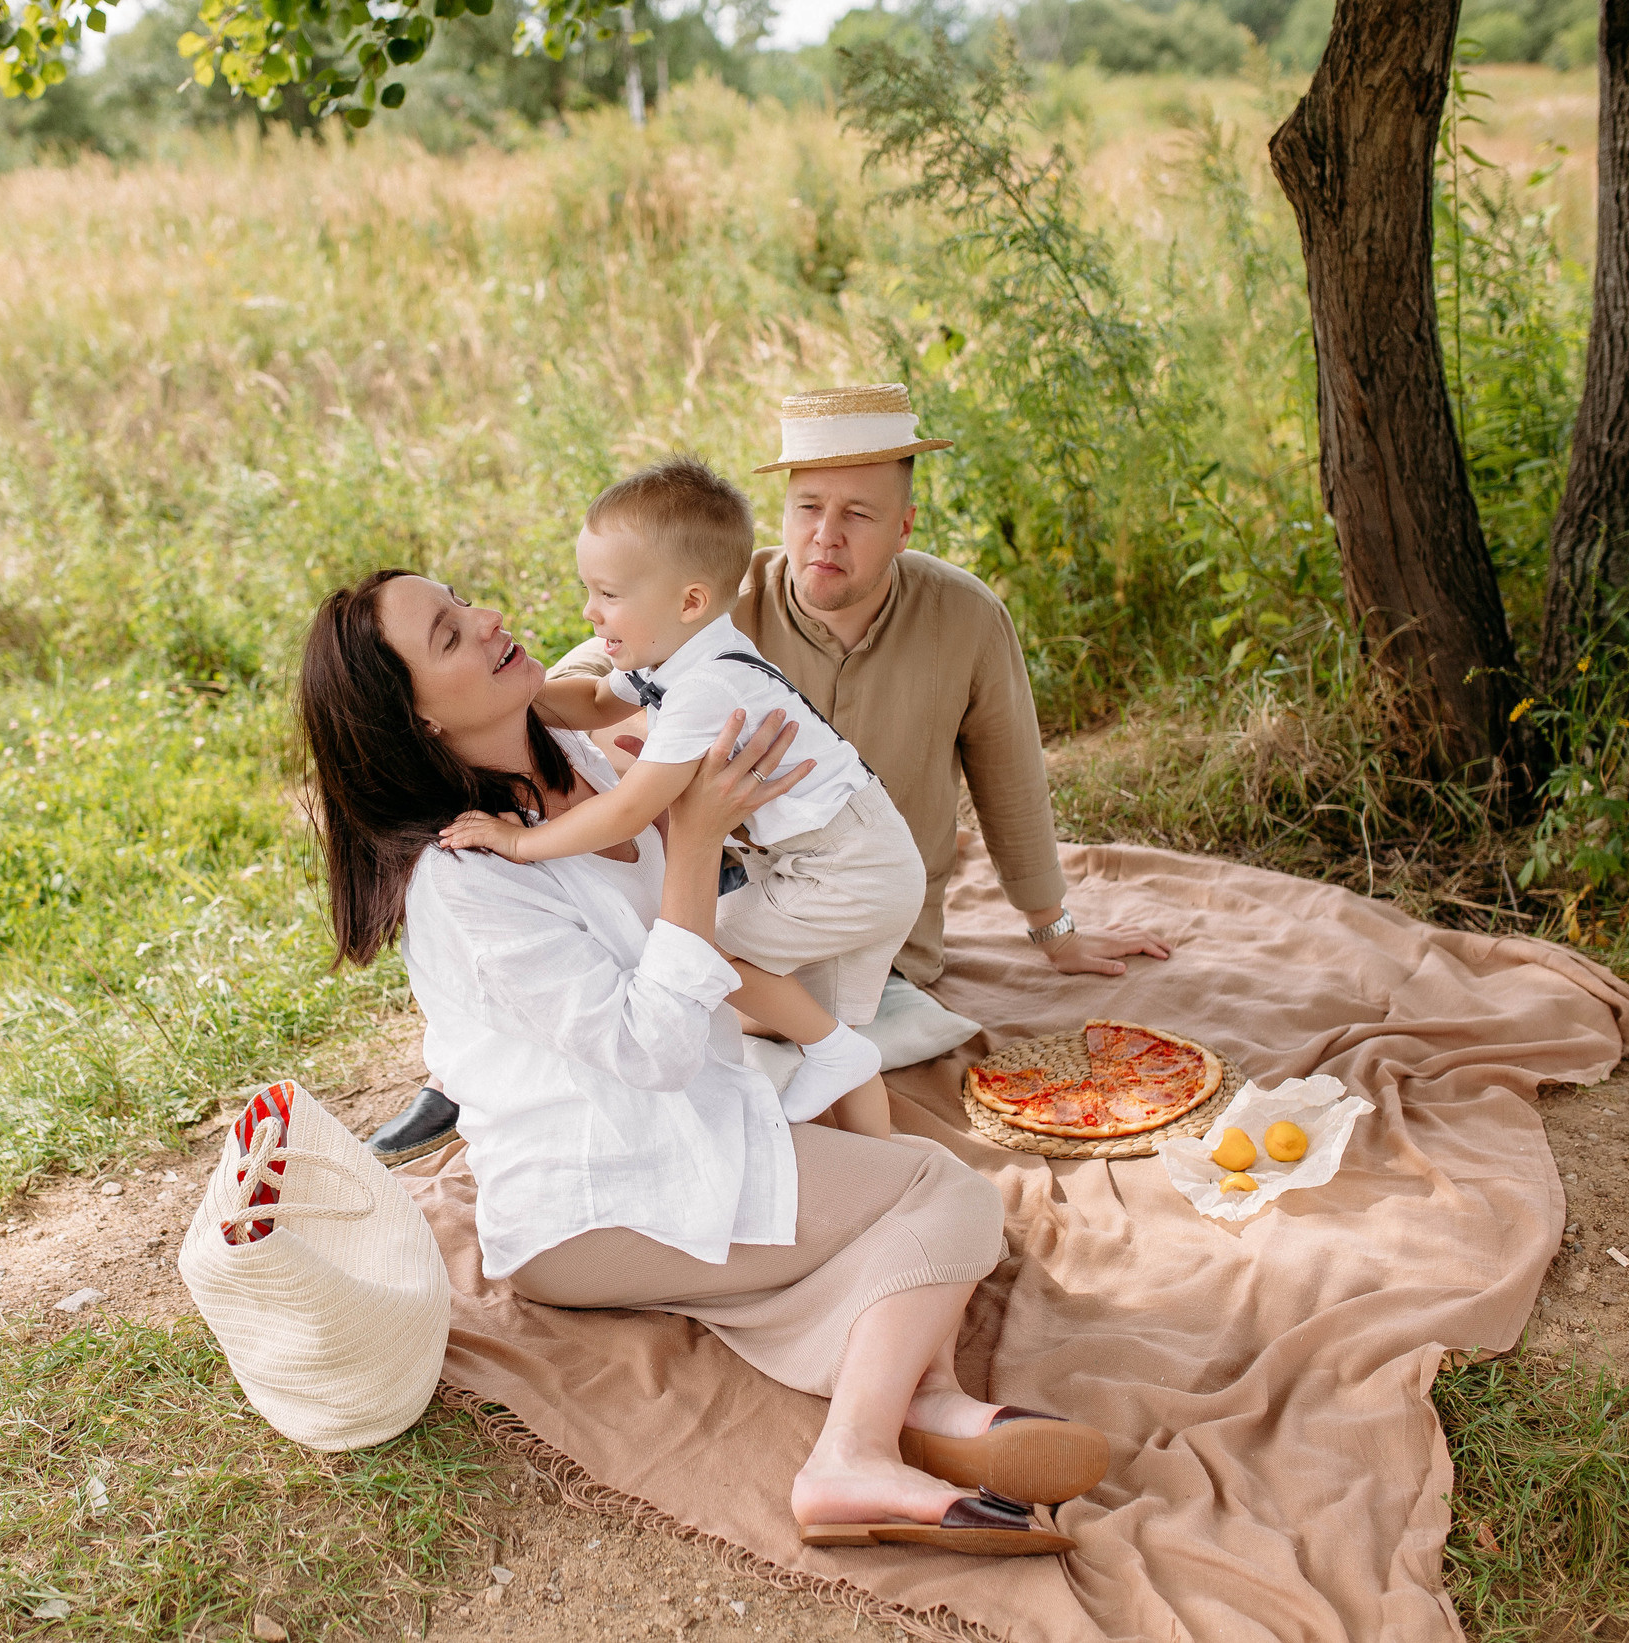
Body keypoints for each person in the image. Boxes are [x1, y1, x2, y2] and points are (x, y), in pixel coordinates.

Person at [298, 571, 1109, 1554]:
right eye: (449, 635)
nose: (489, 621)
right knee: (946, 1199)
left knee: (875, 1224)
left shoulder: (571, 760)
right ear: (414, 720)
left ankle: (930, 1407)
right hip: (588, 1195)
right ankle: (847, 1457)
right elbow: (650, 1047)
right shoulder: (461, 886)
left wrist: (817, 1021)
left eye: (465, 602)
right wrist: (694, 839)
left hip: (690, 1113)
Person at [367, 381, 1168, 1164]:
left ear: (904, 526)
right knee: (735, 1014)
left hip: (869, 914)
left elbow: (1013, 783)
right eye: (807, 507)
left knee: (689, 972)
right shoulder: (723, 591)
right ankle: (880, 1168)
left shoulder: (962, 615)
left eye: (857, 514)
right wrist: (495, 691)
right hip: (772, 897)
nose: (825, 535)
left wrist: (1052, 926)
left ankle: (527, 1068)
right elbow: (597, 680)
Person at [437, 459, 923, 1138]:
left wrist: (519, 841)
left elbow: (632, 807)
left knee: (707, 950)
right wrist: (521, 694)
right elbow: (600, 700)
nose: (589, 611)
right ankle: (883, 1153)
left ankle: (838, 1057)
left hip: (847, 865)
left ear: (689, 601)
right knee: (822, 1028)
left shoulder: (703, 690)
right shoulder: (687, 652)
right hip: (850, 853)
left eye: (606, 593)